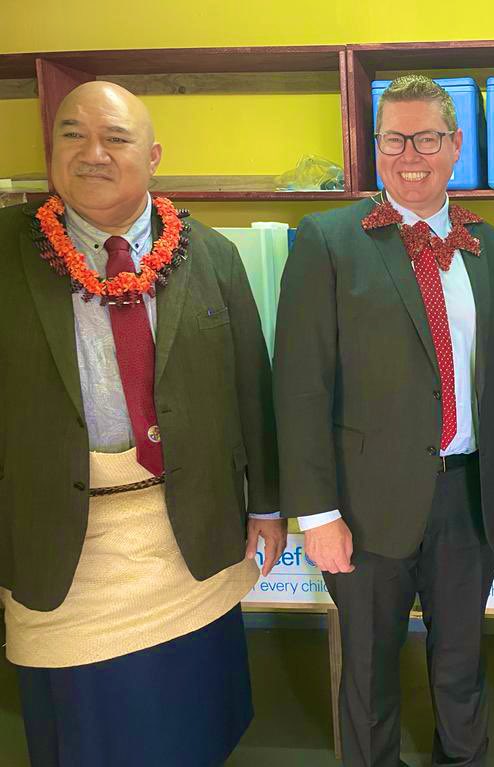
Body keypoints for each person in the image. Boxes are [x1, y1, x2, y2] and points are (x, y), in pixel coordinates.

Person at [0, 81, 286, 766]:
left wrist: (268, 506)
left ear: (153, 156)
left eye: (115, 138)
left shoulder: (212, 254)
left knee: (193, 725)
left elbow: (254, 387)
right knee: (87, 737)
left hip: (190, 536)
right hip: (61, 546)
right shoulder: (7, 252)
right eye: (72, 134)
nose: (92, 152)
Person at [273, 74, 494, 767]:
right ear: (375, 146)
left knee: (462, 665)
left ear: (454, 146)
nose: (408, 153)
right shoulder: (327, 240)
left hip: (470, 495)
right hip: (363, 503)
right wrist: (316, 512)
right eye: (393, 138)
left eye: (425, 137)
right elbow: (299, 385)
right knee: (367, 673)